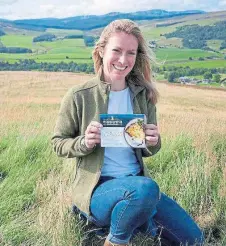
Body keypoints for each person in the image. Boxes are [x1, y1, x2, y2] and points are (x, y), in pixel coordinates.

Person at [52, 19, 204, 246]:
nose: (123, 60)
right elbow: (58, 143)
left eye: (131, 53)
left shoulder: (143, 95)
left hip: (136, 182)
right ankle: (116, 240)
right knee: (146, 189)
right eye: (117, 50)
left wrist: (152, 140)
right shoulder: (79, 95)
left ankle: (140, 221)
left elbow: (151, 149)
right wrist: (85, 142)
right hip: (98, 190)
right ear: (102, 51)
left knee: (193, 239)